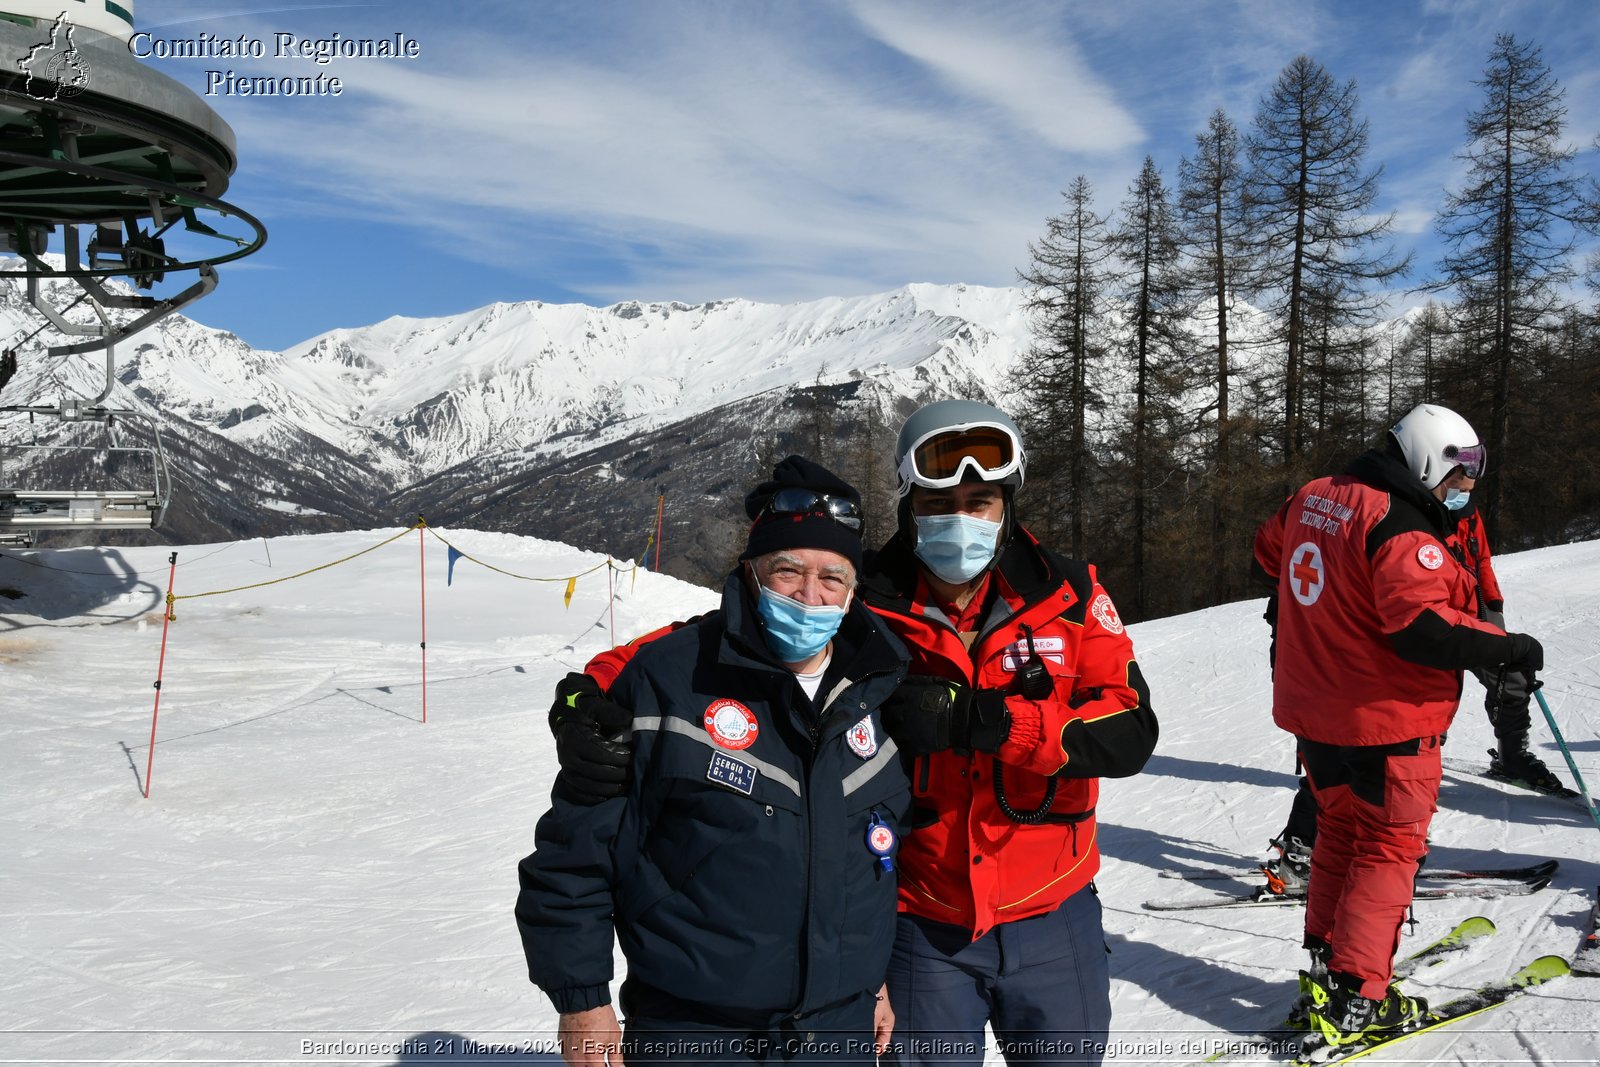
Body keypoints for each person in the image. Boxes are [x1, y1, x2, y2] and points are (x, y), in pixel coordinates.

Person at [549, 400, 1160, 1066]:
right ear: (909, 507)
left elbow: (1130, 729)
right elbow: (726, 635)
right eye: (938, 502)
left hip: (1053, 907)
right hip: (922, 920)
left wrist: (988, 722)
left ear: (1008, 506)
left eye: (979, 501)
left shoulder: (1068, 595)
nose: (961, 519)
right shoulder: (865, 597)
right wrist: (594, 692)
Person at [516, 456, 912, 1066]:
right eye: (788, 572)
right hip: (695, 1029)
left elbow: (875, 860)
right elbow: (574, 855)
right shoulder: (670, 680)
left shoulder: (875, 690)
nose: (810, 595)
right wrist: (582, 1001)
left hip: (840, 1030)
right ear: (752, 575)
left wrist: (870, 980)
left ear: (855, 589)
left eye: (832, 578)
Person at [1254, 402, 1544, 1049]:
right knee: (1386, 851)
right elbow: (1423, 627)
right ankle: (1361, 994)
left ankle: (1328, 968)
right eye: (1457, 474)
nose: (1464, 489)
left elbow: (1268, 549)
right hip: (1386, 721)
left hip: (1316, 712)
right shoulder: (1404, 529)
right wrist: (1510, 648)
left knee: (1339, 835)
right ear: (1423, 458)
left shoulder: (1317, 494)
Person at [1258, 452, 1563, 899]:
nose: (1462, 491)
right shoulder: (1388, 510)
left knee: (1421, 732)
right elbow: (1287, 561)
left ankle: (1507, 757)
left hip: (1453, 622)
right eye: (1458, 480)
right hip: (1381, 647)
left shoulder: (1458, 507)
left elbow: (1479, 561)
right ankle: (1304, 849)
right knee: (1351, 744)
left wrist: (1491, 613)